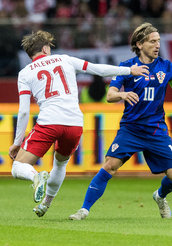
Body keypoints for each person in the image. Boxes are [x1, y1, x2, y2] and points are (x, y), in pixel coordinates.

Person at [69, 22, 172, 220]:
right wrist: (123, 95)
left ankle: (160, 196)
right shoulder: (126, 68)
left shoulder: (167, 68)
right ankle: (84, 209)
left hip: (157, 130)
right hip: (131, 130)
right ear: (140, 44)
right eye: (152, 42)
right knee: (109, 166)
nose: (157, 45)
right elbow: (110, 95)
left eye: (158, 41)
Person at [8, 30, 149, 218]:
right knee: (59, 165)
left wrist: (17, 142)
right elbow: (97, 69)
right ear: (44, 48)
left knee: (18, 167)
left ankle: (35, 176)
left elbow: (24, 111)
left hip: (49, 122)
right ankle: (45, 204)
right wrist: (128, 70)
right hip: (74, 123)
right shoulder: (65, 59)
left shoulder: (25, 73)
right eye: (49, 47)